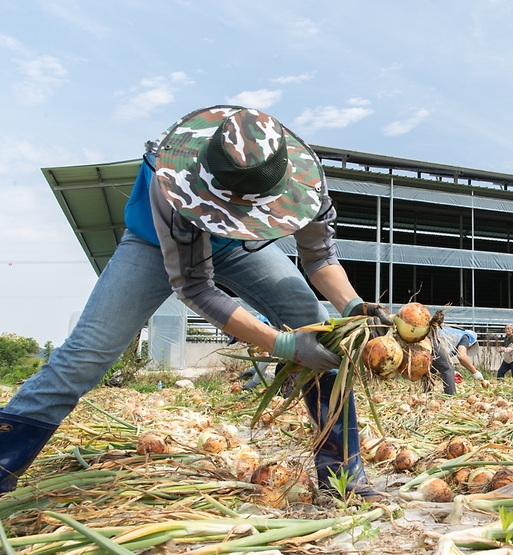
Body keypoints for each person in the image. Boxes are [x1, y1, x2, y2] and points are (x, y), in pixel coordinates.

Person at [0, 106, 391, 499]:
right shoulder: (172, 180)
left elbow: (320, 258)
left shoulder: (305, 186)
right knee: (85, 356)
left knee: (317, 326)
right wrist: (282, 344)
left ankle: (344, 475)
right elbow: (194, 286)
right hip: (153, 245)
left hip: (238, 247)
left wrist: (354, 308)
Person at [430, 326, 484, 395]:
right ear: (471, 344)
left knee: (432, 369)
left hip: (427, 338)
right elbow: (462, 357)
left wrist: (452, 374)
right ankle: (451, 395)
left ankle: (426, 394)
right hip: (433, 340)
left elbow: (440, 362)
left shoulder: (454, 335)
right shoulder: (466, 337)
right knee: (448, 368)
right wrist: (475, 372)